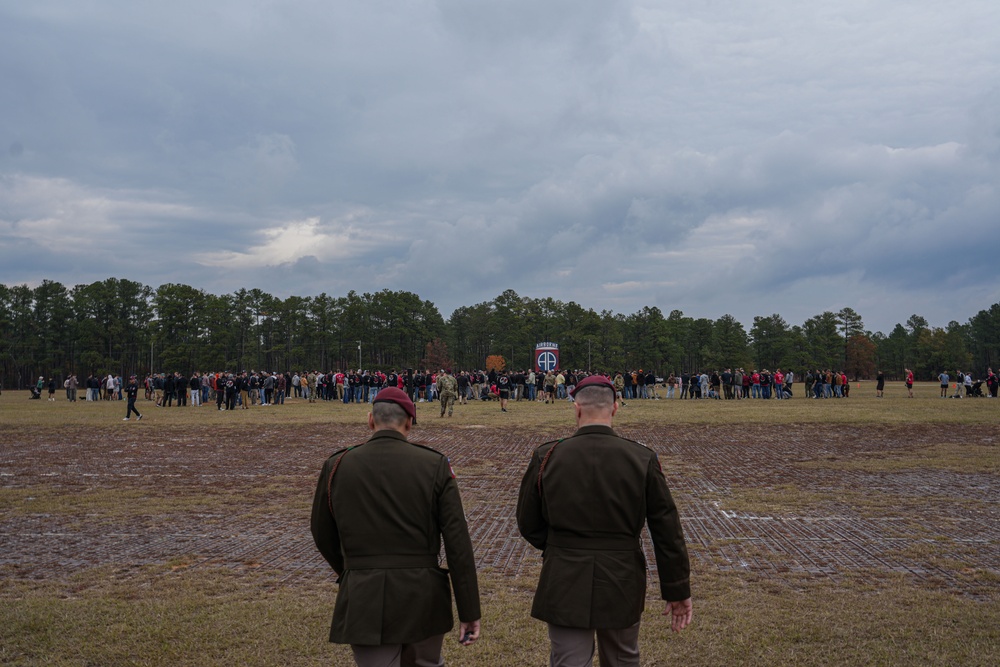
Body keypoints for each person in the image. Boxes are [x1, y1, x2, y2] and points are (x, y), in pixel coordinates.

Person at [516, 374, 692, 667]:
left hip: (564, 573)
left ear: (576, 408)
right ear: (615, 408)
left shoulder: (548, 456)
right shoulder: (641, 458)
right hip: (622, 575)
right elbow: (667, 531)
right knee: (622, 658)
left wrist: (558, 547)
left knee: (568, 660)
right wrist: (677, 589)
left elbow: (528, 522)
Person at [310, 387, 481, 666]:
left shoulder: (338, 465)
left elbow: (321, 532)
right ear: (409, 422)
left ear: (370, 420)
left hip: (364, 592)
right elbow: (457, 542)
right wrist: (470, 609)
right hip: (422, 593)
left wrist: (352, 571)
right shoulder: (434, 464)